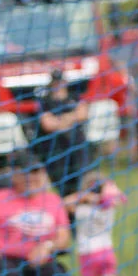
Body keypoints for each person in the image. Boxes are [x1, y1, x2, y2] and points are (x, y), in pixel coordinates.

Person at [64, 171, 134, 276]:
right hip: (107, 251)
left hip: (88, 253)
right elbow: (118, 198)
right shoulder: (109, 206)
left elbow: (65, 203)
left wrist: (84, 196)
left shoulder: (81, 210)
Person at [37, 68, 91, 198]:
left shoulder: (74, 97)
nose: (58, 85)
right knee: (62, 182)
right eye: (55, 82)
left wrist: (61, 120)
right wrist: (71, 118)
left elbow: (83, 114)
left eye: (60, 82)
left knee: (82, 177)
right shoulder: (45, 101)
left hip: (77, 145)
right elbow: (47, 124)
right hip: (57, 147)